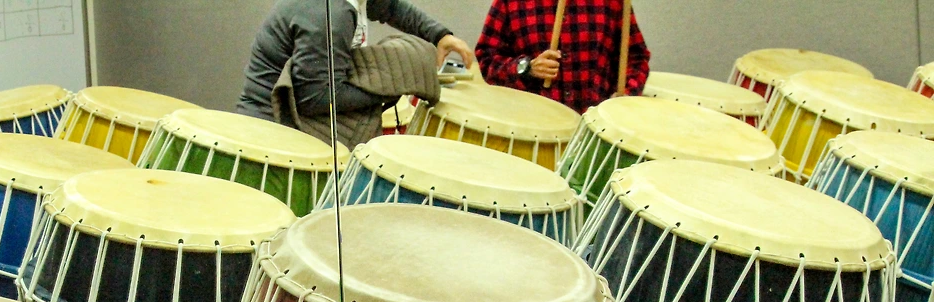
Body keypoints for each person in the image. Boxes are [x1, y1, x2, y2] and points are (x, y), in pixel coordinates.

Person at [238, 0, 475, 121]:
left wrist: (439, 35)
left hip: (297, 110)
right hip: (272, 124)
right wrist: (394, 88)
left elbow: (390, 7)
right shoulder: (331, 14)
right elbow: (316, 98)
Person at [475, 0, 650, 113]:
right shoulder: (511, 2)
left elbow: (636, 58)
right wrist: (527, 68)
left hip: (593, 132)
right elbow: (487, 58)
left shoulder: (614, 3)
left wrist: (626, 94)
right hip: (533, 130)